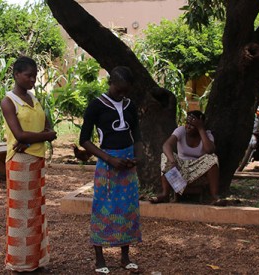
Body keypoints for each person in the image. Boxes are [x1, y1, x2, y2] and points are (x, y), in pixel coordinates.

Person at [79, 66, 142, 274]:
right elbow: (84, 140)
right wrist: (109, 159)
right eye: (119, 90)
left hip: (127, 163)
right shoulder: (96, 106)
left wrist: (137, 158)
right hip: (107, 163)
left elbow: (137, 135)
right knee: (103, 208)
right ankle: (100, 258)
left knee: (128, 209)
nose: (123, 94)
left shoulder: (130, 106)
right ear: (110, 83)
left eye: (126, 91)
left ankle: (125, 256)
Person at [0, 56, 57, 272]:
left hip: (36, 160)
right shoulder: (9, 101)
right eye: (28, 75)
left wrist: (34, 138)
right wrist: (41, 136)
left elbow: (49, 128)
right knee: (20, 215)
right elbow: (19, 134)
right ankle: (19, 263)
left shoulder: (34, 98)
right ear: (16, 75)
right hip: (19, 162)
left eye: (34, 76)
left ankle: (36, 260)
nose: (33, 79)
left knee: (36, 213)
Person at [149, 110, 225, 206]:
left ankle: (214, 196)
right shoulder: (181, 130)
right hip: (180, 168)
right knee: (165, 156)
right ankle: (165, 194)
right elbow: (166, 145)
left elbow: (209, 150)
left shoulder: (207, 135)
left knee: (212, 158)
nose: (188, 127)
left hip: (197, 171)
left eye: (192, 125)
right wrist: (173, 162)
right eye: (187, 123)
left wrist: (201, 129)